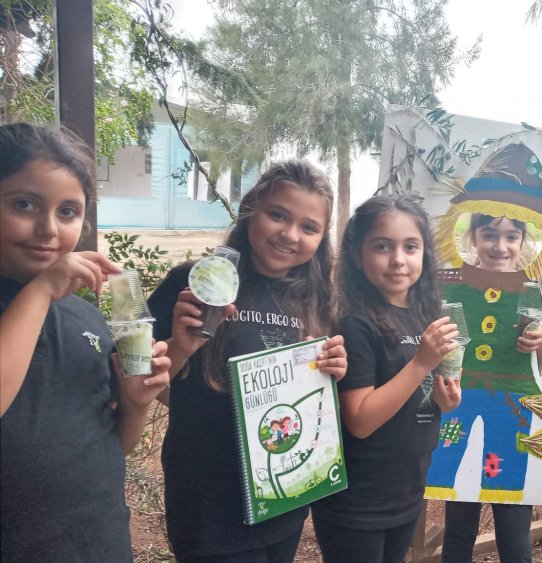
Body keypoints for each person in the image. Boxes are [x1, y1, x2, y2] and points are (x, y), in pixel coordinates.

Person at [147, 160, 347, 562]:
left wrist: (332, 370)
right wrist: (180, 347)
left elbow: (313, 400)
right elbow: (140, 379)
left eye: (309, 227)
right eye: (278, 215)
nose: (290, 235)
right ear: (251, 209)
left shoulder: (317, 299)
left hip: (283, 493)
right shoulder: (196, 282)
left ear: (322, 237)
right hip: (207, 498)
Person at [1, 122, 171, 560]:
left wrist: (135, 404)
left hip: (99, 545)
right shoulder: (37, 299)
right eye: (24, 204)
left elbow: (113, 445)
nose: (48, 229)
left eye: (68, 212)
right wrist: (41, 289)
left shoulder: (86, 317)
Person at [310, 195, 462, 563]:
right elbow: (360, 421)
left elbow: (420, 393)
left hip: (406, 490)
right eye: (382, 246)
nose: (398, 259)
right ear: (357, 255)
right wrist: (421, 363)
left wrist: (444, 399)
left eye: (410, 247)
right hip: (358, 501)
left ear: (425, 254)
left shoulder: (425, 315)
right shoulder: (355, 323)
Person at [440, 212, 542, 563]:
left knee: (513, 528)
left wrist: (541, 338)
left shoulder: (533, 292)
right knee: (459, 524)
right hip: (460, 406)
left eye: (511, 236)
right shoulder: (452, 287)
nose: (500, 246)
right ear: (473, 237)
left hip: (514, 412)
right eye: (489, 235)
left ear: (522, 241)